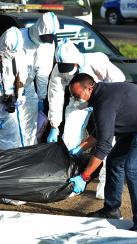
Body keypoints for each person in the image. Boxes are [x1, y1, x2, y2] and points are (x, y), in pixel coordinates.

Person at [68, 73, 137, 235]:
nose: (75, 99)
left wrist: (84, 176)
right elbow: (102, 131)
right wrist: (80, 147)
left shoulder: (104, 101)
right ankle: (111, 210)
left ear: (89, 88)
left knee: (132, 168)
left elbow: (104, 146)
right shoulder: (101, 96)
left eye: (76, 95)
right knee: (115, 162)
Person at [46, 39, 125, 199]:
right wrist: (54, 125)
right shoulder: (58, 70)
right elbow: (55, 95)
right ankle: (71, 180)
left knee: (108, 142)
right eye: (63, 68)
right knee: (68, 140)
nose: (66, 72)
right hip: (78, 102)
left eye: (70, 68)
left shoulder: (97, 60)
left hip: (102, 100)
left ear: (77, 61)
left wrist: (108, 101)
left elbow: (119, 80)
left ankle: (106, 184)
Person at [1, 12, 59, 147]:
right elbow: (6, 65)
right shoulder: (18, 37)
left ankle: (29, 153)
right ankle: (11, 156)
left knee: (31, 126)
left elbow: (43, 72)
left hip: (28, 86)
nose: (46, 40)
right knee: (11, 126)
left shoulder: (48, 44)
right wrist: (9, 92)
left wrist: (41, 97)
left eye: (49, 38)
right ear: (38, 29)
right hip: (11, 88)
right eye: (44, 37)